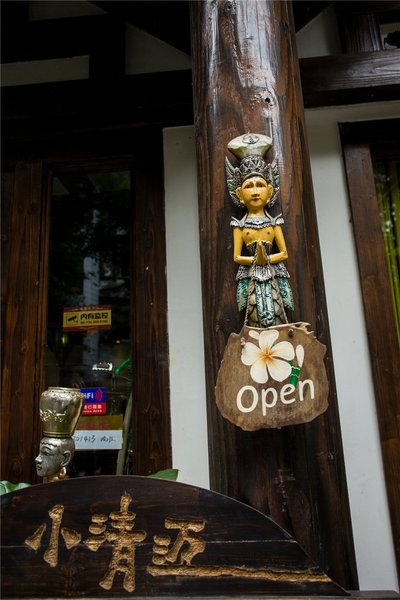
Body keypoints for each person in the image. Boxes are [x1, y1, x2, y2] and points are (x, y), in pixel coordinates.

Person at [226, 133, 294, 327]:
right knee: (253, 311)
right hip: (251, 274)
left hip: (274, 272)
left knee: (279, 309)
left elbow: (284, 253)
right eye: (249, 186)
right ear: (239, 193)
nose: (255, 192)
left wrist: (268, 259)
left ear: (270, 190)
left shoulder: (274, 222)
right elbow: (237, 257)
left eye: (260, 185)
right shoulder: (239, 225)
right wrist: (256, 260)